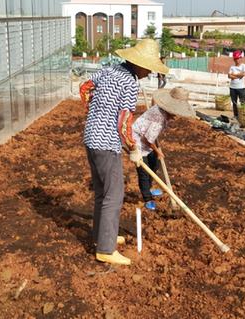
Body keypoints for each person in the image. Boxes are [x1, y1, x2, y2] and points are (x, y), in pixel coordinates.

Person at [80, 39, 168, 266]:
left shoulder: (110, 70)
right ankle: (106, 250)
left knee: (102, 192)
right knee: (114, 195)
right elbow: (125, 120)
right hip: (107, 142)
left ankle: (102, 236)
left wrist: (95, 114)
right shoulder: (130, 82)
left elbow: (85, 87)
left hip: (91, 137)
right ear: (138, 64)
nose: (149, 72)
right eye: (148, 68)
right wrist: (133, 147)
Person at [132, 87, 194, 211]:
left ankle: (149, 188)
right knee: (144, 171)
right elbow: (147, 139)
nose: (176, 115)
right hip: (138, 140)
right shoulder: (159, 119)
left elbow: (150, 136)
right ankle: (147, 198)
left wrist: (155, 151)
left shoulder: (162, 111)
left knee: (154, 165)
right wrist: (157, 150)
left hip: (148, 138)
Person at [228, 50, 245, 118]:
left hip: (241, 87)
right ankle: (236, 115)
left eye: (238, 58)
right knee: (234, 103)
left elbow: (243, 75)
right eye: (235, 59)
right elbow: (229, 76)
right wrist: (237, 75)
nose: (236, 60)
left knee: (243, 102)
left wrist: (233, 75)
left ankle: (243, 115)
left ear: (240, 58)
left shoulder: (244, 66)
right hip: (232, 87)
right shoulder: (232, 67)